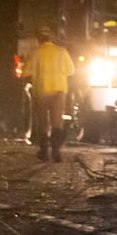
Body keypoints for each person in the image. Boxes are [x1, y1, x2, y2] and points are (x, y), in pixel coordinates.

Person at [25, 26, 75, 162]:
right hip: (60, 90)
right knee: (57, 121)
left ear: (38, 38)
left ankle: (44, 152)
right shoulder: (62, 51)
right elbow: (71, 70)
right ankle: (56, 152)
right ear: (50, 38)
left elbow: (26, 71)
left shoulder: (35, 52)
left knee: (42, 122)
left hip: (42, 90)